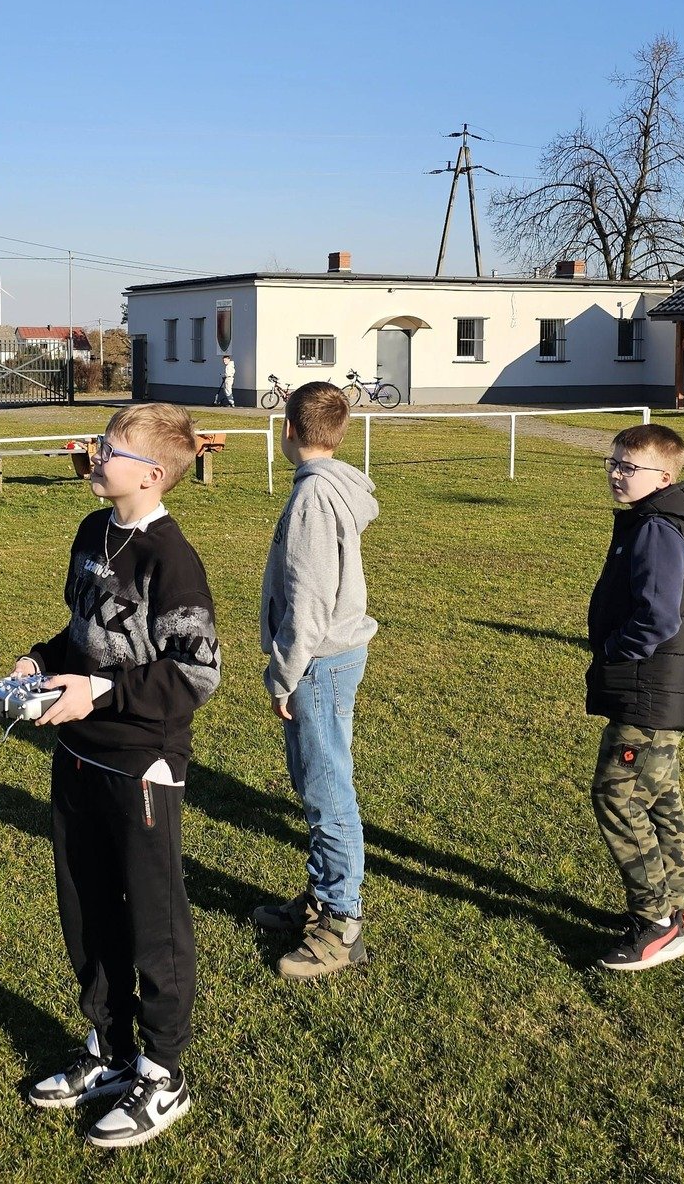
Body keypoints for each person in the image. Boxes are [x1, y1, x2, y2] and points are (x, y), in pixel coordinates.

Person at [17, 402, 221, 1148]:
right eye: (100, 444)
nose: (95, 455)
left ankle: (163, 1075)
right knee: (87, 907)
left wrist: (99, 693)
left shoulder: (172, 559)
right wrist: (41, 660)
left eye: (110, 449)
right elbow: (85, 634)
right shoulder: (91, 531)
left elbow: (197, 672)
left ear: (153, 473)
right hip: (77, 752)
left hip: (142, 763)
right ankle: (109, 1046)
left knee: (153, 925)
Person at [585, 422, 684, 971]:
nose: (617, 474)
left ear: (664, 477)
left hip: (649, 687)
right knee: (660, 797)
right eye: (613, 463)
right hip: (659, 686)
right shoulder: (655, 520)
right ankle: (672, 912)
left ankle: (656, 923)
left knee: (617, 796)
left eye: (629, 467)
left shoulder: (657, 529)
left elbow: (657, 617)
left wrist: (615, 651)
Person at [252, 381, 380, 978]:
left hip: (319, 661)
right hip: (329, 658)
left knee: (328, 791)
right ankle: (323, 894)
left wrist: (285, 673)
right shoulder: (330, 485)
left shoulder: (312, 496)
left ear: (287, 429)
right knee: (316, 779)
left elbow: (308, 600)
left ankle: (342, 923)